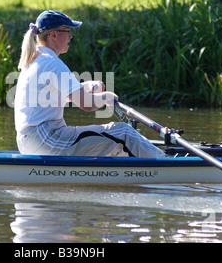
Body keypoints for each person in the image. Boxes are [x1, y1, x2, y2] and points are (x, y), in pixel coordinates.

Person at [13, 10, 164, 158]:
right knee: (123, 132)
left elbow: (55, 96)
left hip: (29, 141)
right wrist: (106, 97)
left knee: (115, 141)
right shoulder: (52, 63)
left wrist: (86, 86)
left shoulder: (36, 60)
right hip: (47, 139)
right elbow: (86, 104)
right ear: (54, 35)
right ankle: (166, 165)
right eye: (68, 31)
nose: (71, 36)